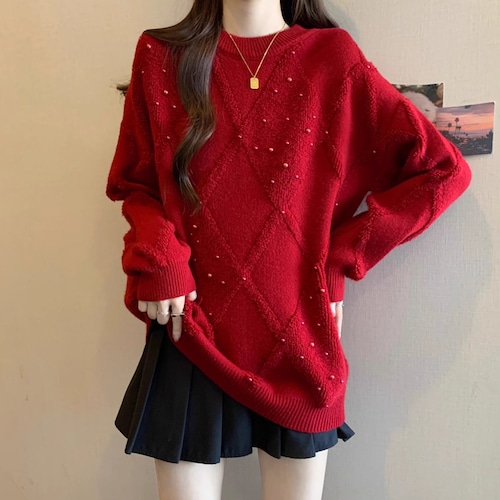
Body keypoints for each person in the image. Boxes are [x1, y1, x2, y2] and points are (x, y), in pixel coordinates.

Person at [105, 0, 472, 498]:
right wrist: (159, 259)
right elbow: (138, 183)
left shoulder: (332, 58)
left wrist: (341, 258)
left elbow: (440, 172)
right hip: (188, 325)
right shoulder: (162, 56)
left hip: (298, 335)